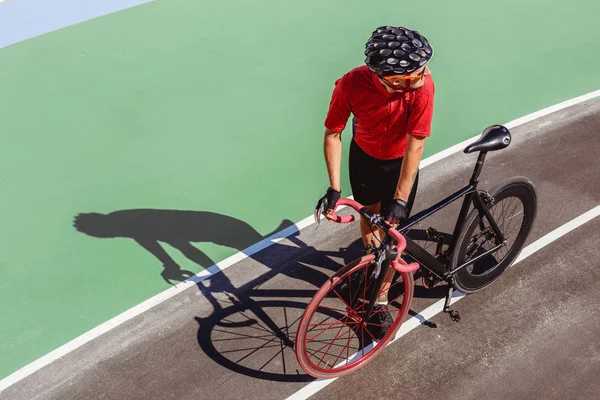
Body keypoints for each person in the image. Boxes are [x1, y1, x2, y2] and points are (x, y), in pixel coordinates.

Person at [315, 25, 435, 337]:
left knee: (392, 234)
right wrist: (334, 187)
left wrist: (400, 197)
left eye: (420, 71)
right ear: (381, 75)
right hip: (365, 157)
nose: (420, 78)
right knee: (369, 215)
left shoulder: (422, 88)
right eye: (407, 77)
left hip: (399, 163)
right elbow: (333, 133)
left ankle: (380, 299)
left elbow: (415, 146)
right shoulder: (352, 83)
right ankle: (374, 265)